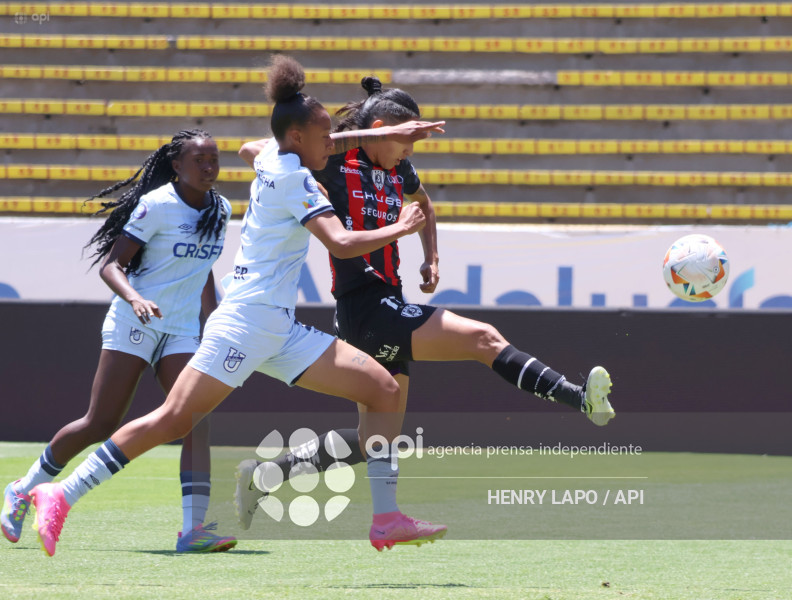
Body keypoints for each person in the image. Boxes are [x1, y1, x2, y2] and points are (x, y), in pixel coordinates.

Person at [27, 56, 448, 557]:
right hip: (246, 324)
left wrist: (376, 134)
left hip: (279, 329)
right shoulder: (296, 181)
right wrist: (400, 229)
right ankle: (62, 491)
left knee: (381, 389)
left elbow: (267, 143)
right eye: (323, 139)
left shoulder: (274, 155)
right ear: (297, 140)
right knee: (173, 420)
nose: (331, 146)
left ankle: (385, 518)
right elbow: (339, 243)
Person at [234, 77, 615, 526]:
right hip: (364, 307)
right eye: (406, 140)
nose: (410, 152)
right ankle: (577, 399)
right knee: (483, 339)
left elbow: (425, 205)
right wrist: (365, 138)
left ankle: (264, 476)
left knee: (374, 438)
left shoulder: (400, 170)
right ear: (379, 130)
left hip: (385, 302)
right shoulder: (329, 161)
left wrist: (431, 257)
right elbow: (251, 149)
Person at [0, 130, 237, 553]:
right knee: (101, 422)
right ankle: (23, 488)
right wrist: (135, 297)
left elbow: (202, 267)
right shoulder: (157, 205)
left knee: (196, 421)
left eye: (214, 159)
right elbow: (112, 266)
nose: (209, 167)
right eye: (199, 160)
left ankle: (193, 530)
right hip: (135, 319)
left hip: (181, 328)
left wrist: (212, 317)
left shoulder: (220, 207)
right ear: (177, 166)